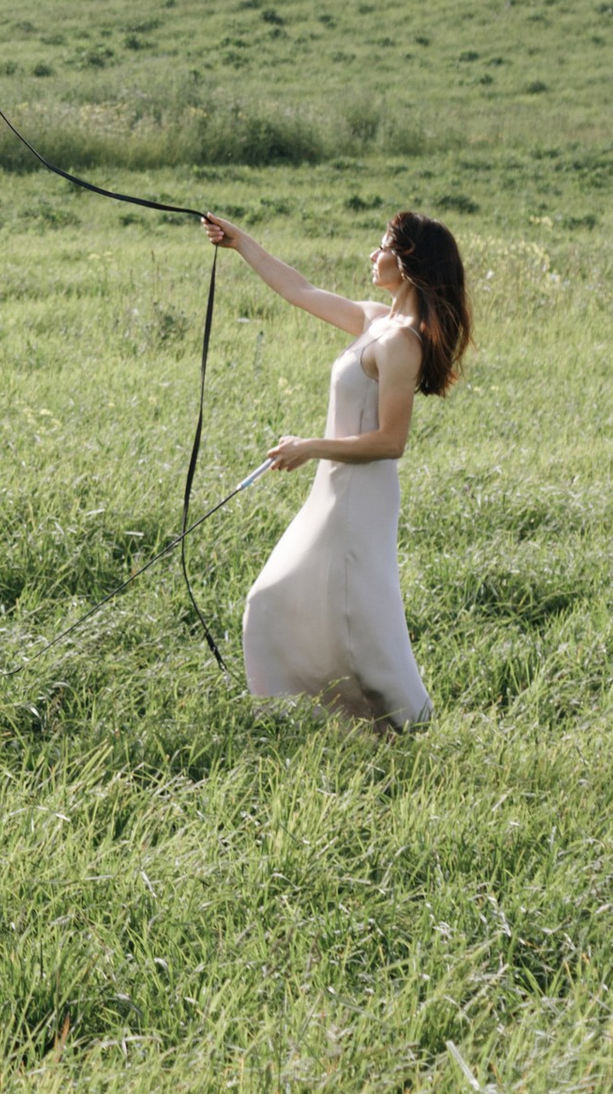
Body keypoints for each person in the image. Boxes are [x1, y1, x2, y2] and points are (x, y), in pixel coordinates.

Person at [198, 207, 471, 730]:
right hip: (335, 489)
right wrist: (240, 242)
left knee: (354, 616)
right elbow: (298, 290)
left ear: (408, 260)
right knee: (286, 598)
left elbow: (392, 442)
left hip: (358, 495)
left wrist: (310, 446)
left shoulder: (401, 342)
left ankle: (405, 720)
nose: (373, 254)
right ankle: (314, 713)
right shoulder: (376, 320)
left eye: (383, 246)